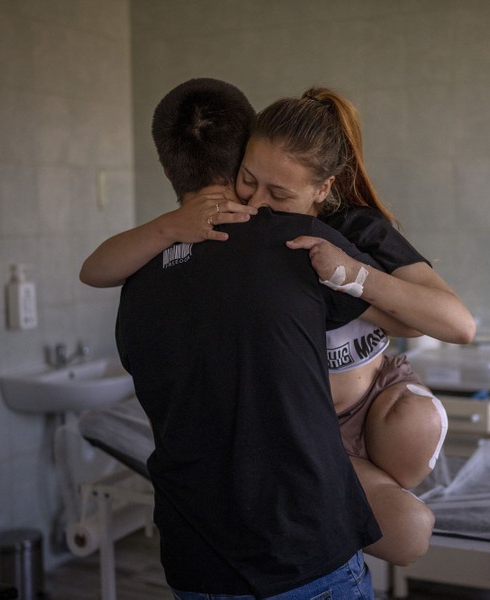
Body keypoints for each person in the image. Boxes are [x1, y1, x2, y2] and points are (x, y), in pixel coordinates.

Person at [81, 86, 476, 566]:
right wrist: (170, 226)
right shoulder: (230, 231)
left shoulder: (351, 231)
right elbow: (95, 271)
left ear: (323, 188)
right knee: (406, 532)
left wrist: (352, 277)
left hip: (370, 403)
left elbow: (445, 324)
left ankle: (366, 487)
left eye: (280, 193)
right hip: (308, 433)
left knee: (413, 440)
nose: (260, 203)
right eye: (249, 179)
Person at [109, 78, 380, 599]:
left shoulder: (135, 277)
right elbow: (421, 318)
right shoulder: (300, 245)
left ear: (168, 166)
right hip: (304, 553)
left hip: (195, 561)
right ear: (244, 156)